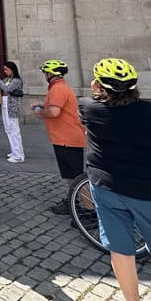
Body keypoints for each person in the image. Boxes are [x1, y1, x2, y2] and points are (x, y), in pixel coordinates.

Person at [81, 58, 151, 301]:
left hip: (109, 187)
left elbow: (89, 118)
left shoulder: (90, 108)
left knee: (121, 253)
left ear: (98, 85)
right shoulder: (150, 111)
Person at [30, 59, 86, 214]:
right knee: (70, 175)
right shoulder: (59, 88)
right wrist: (43, 105)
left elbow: (54, 112)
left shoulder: (57, 89)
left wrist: (40, 113)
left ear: (50, 73)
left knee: (77, 177)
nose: (44, 75)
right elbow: (56, 106)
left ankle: (89, 211)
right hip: (64, 138)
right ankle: (73, 203)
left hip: (67, 138)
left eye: (45, 73)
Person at [0, 61, 24, 163]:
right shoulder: (7, 79)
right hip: (5, 105)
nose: (5, 71)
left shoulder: (17, 80)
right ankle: (14, 151)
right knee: (8, 129)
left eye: (6, 69)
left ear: (12, 69)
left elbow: (6, 88)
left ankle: (18, 154)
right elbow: (1, 85)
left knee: (14, 130)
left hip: (12, 107)